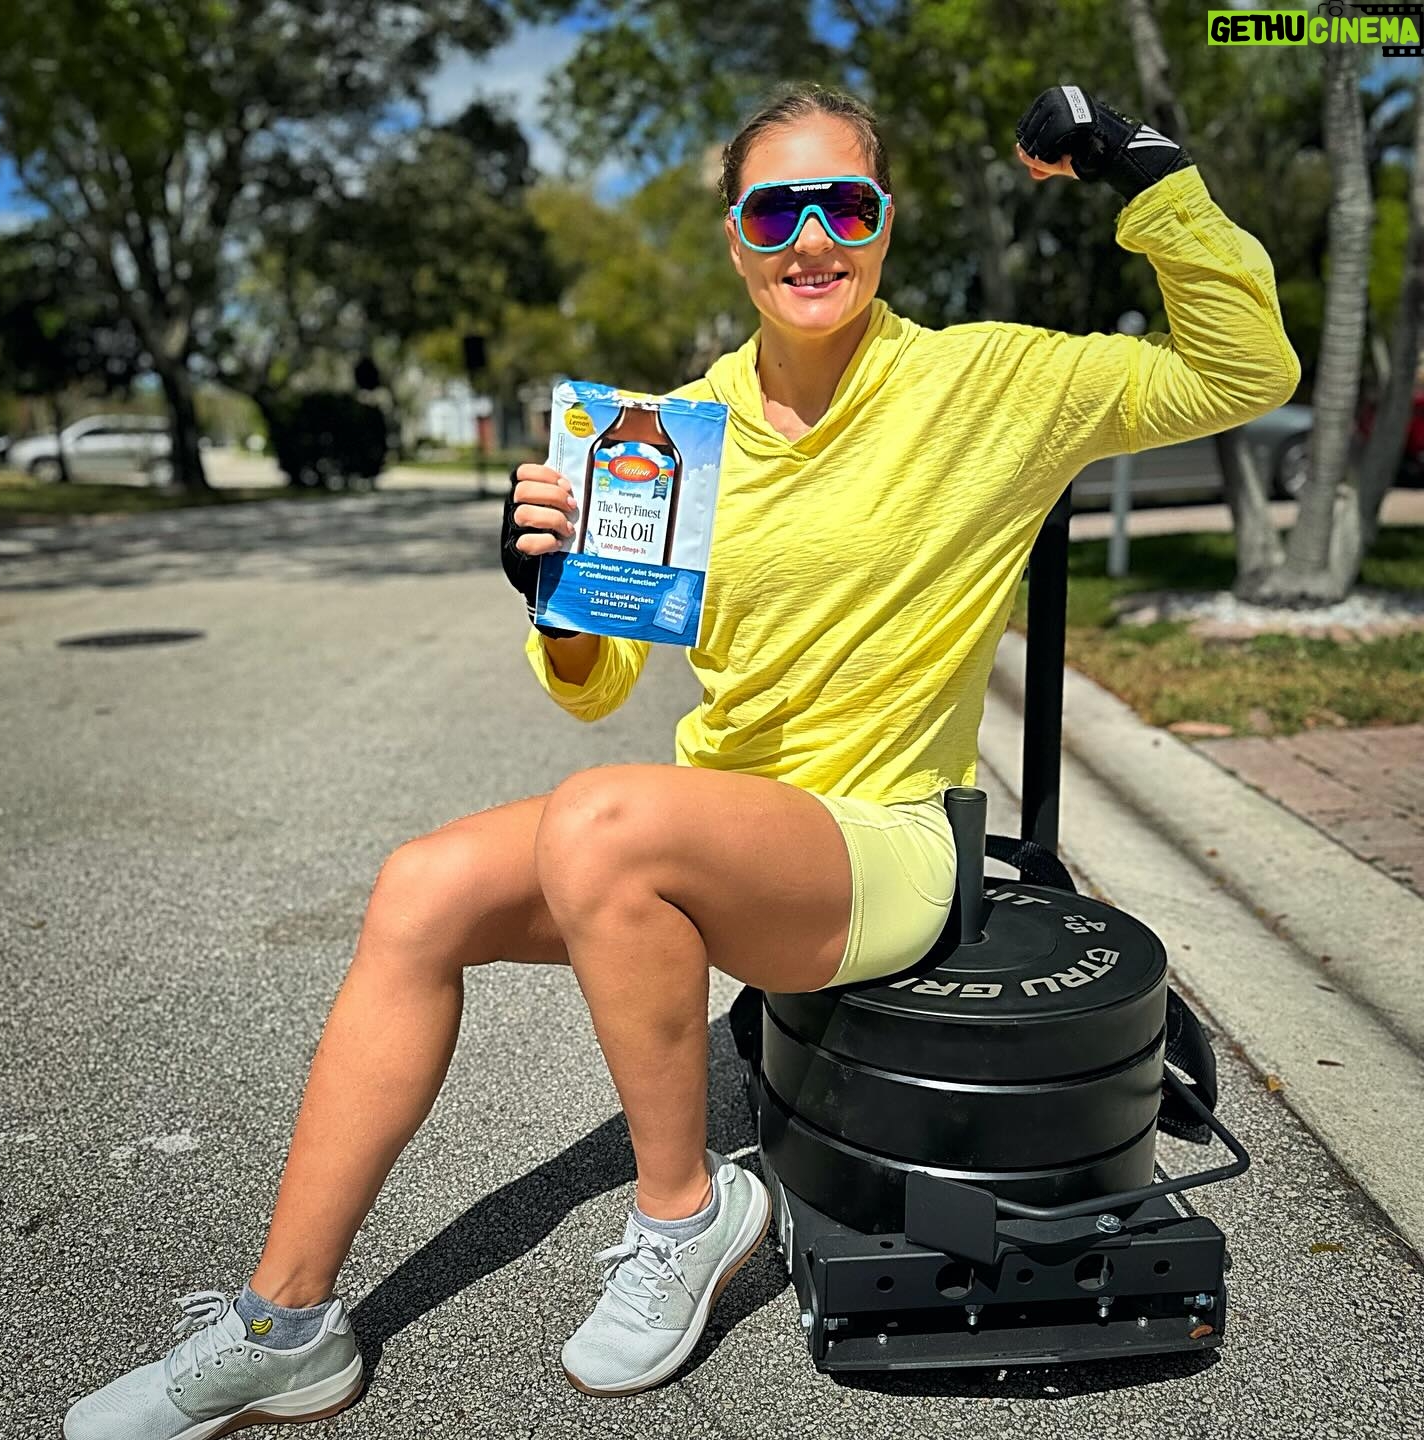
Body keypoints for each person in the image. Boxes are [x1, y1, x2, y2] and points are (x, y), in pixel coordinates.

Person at [64, 81, 1299, 1437]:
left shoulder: (988, 384)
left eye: (846, 205)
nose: (811, 237)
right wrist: (550, 593)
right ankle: (284, 1324)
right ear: (735, 238)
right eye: (777, 210)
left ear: (885, 225)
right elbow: (594, 686)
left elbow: (1245, 370)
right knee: (420, 889)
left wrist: (1147, 172)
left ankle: (686, 1212)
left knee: (607, 825)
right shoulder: (670, 434)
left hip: (885, 838)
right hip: (711, 830)